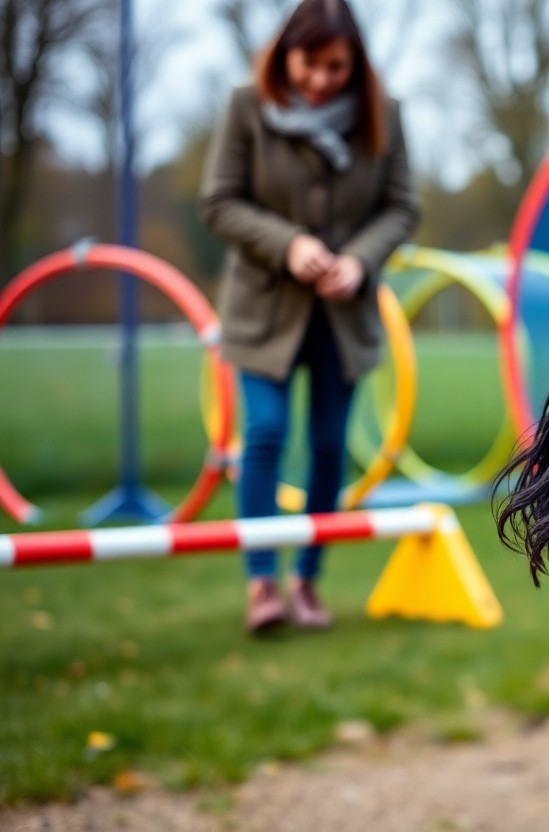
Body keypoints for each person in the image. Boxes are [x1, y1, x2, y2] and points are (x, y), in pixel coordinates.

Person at [200, 0, 418, 633]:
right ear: (284, 54)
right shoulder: (246, 107)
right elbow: (219, 202)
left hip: (341, 316)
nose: (320, 78)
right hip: (264, 311)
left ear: (353, 65)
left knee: (328, 448)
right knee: (264, 434)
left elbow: (401, 208)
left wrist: (359, 259)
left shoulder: (384, 115)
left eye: (335, 66)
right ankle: (262, 583)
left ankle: (309, 581)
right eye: (308, 63)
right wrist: (288, 244)